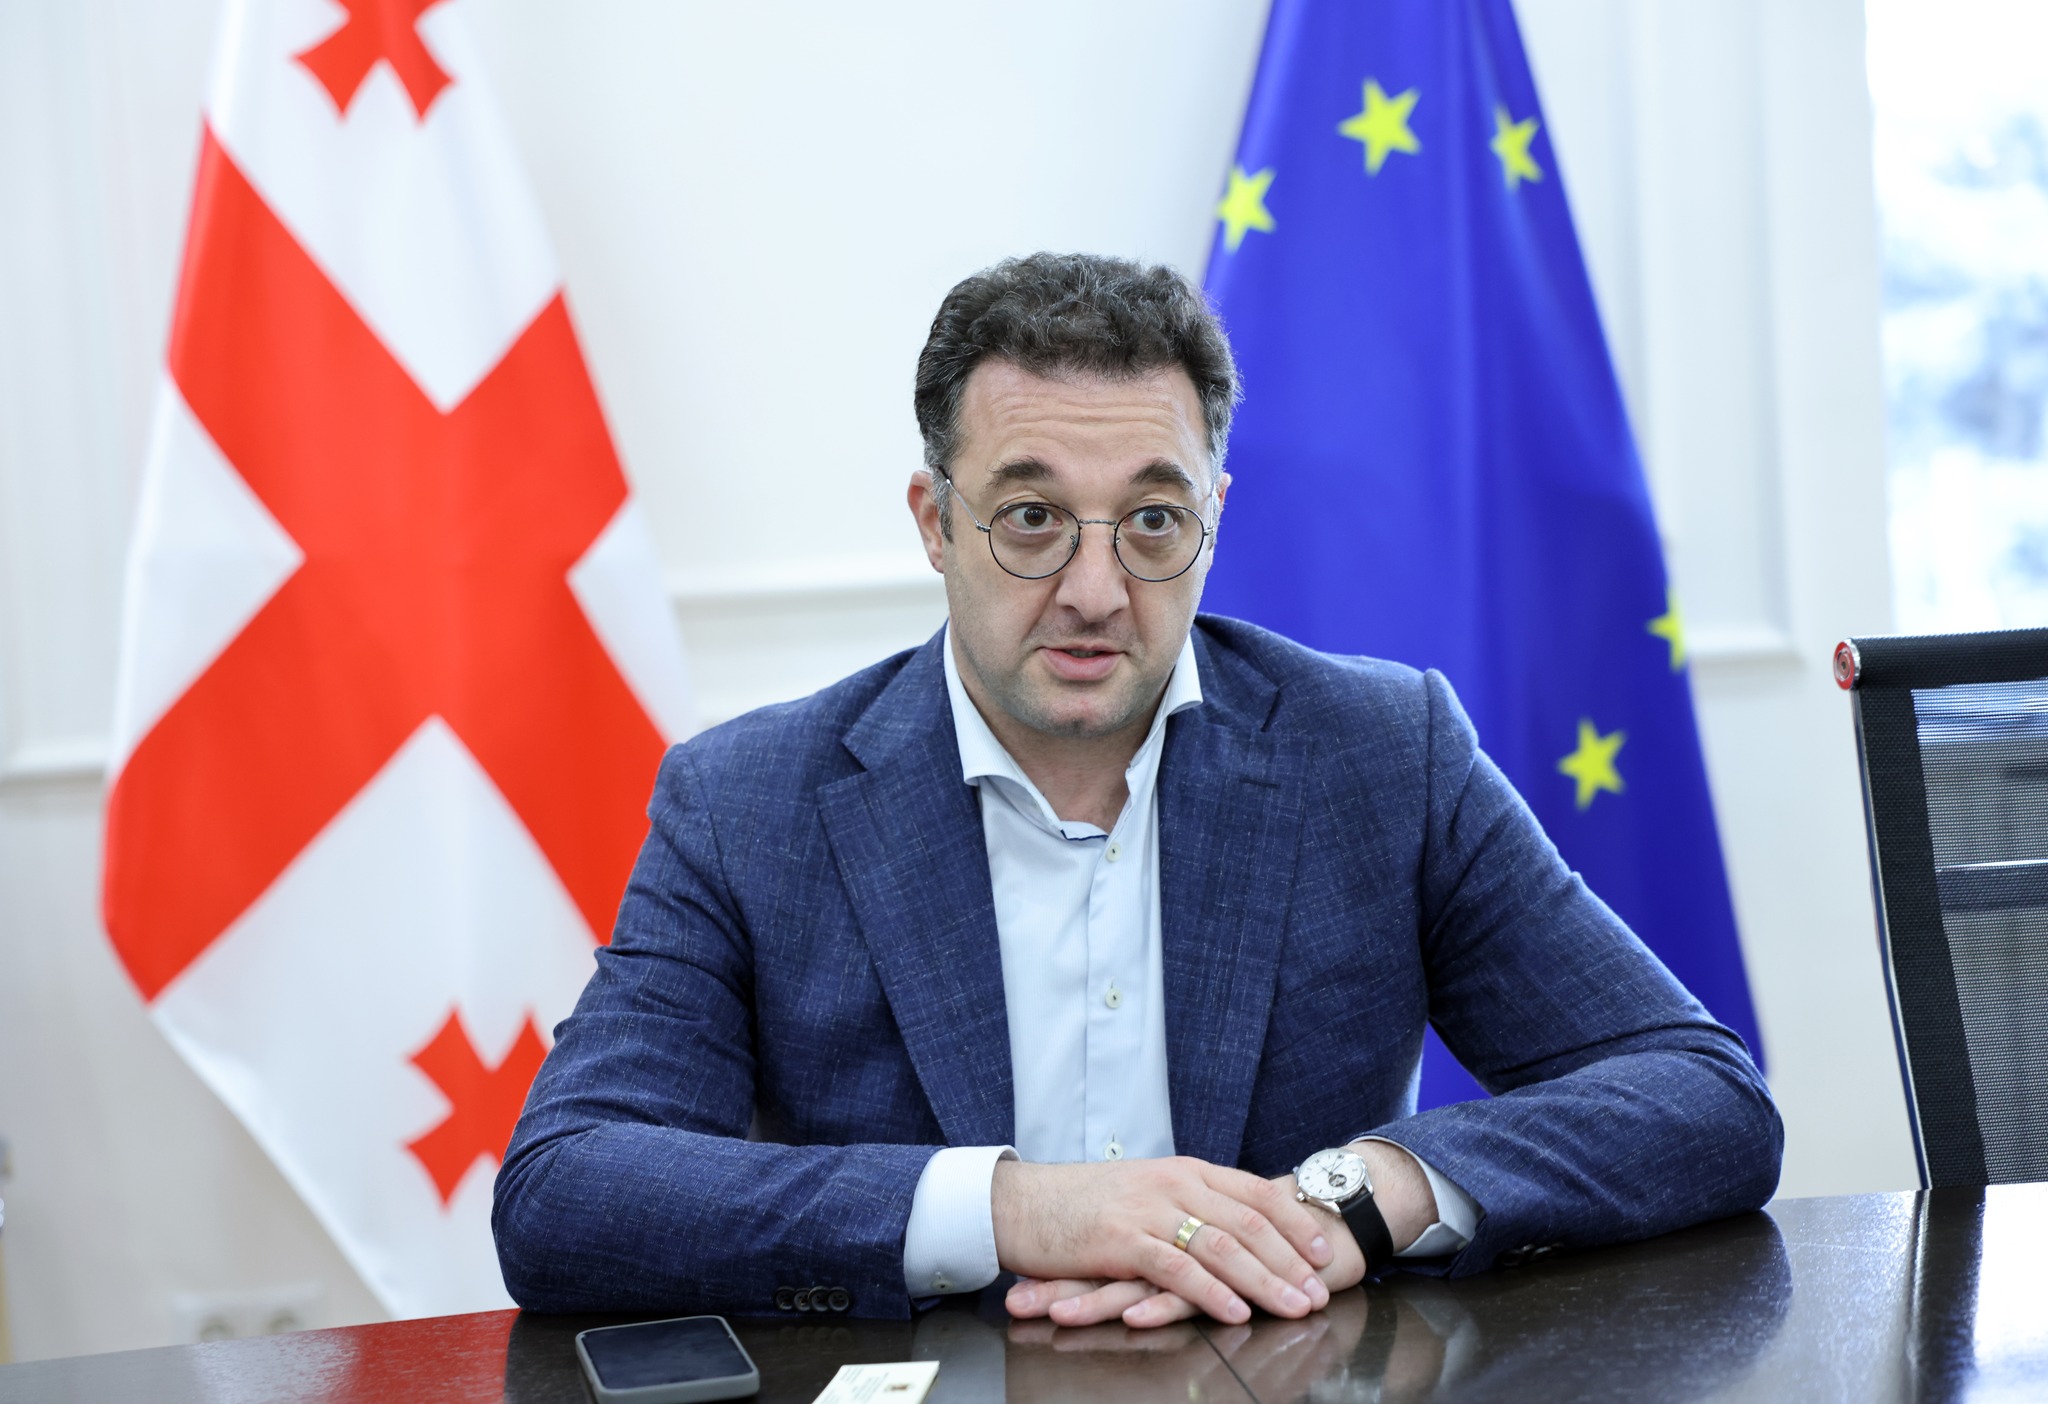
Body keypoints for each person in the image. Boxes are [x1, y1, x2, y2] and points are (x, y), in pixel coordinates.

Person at [493, 252, 1781, 1329]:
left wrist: (1355, 1199)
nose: (1098, 591)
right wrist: (1019, 1209)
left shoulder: (1383, 753)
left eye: (1154, 520)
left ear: (1214, 515)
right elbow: (566, 1191)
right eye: (1031, 518)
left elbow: (1702, 1094)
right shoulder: (750, 802)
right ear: (935, 523)